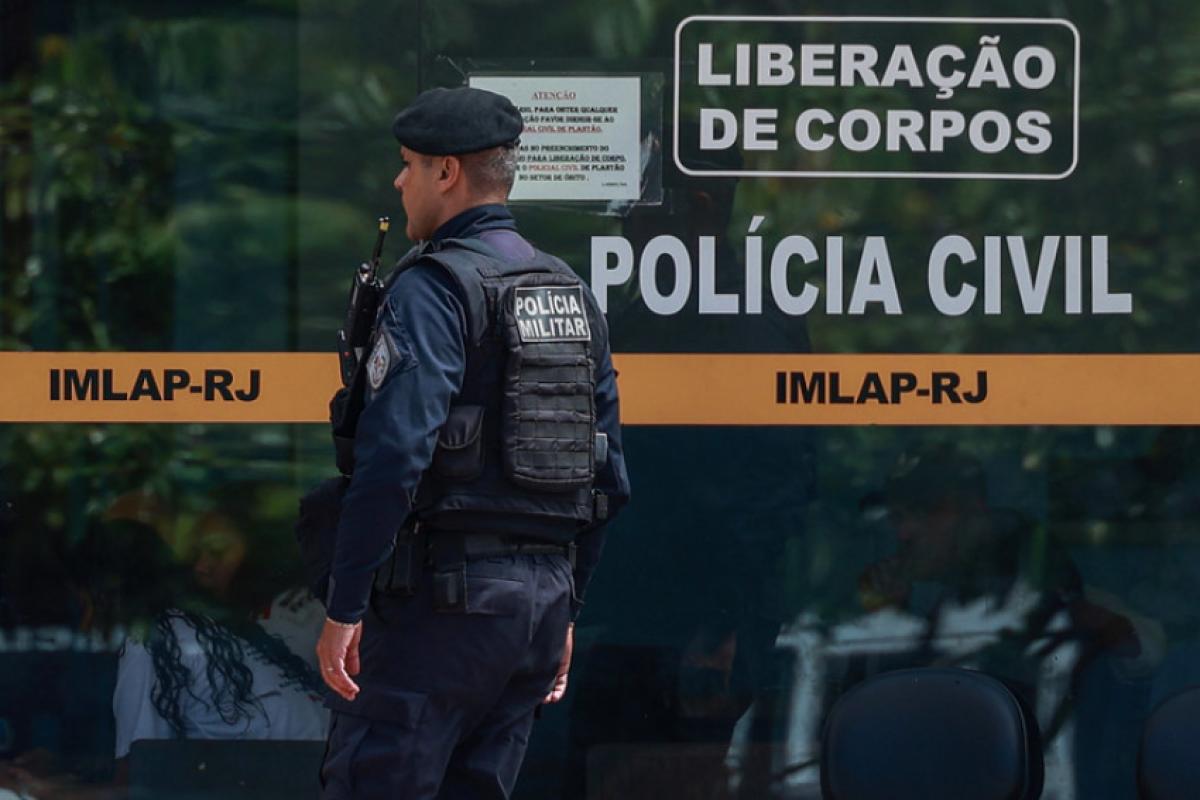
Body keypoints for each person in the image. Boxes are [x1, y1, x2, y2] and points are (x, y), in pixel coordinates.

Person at [315, 86, 630, 800]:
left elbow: (394, 455)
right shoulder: (570, 291)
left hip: (443, 606)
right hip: (537, 612)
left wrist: (346, 603)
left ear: (447, 172)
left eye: (408, 165)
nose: (399, 182)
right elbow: (606, 474)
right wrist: (565, 606)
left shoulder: (433, 287)